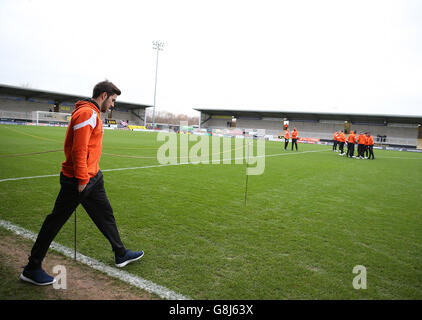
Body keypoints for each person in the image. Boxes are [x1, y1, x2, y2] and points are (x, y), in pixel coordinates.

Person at [20, 81, 144, 286]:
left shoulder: (92, 112)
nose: (113, 105)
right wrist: (82, 179)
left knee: (105, 215)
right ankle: (32, 268)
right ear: (104, 96)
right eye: (113, 100)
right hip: (79, 179)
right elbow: (79, 149)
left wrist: (90, 176)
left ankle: (120, 253)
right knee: (55, 221)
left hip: (94, 176)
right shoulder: (87, 113)